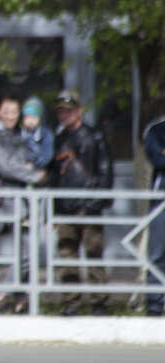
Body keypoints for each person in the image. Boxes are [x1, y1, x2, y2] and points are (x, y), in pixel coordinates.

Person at [0, 93, 47, 313]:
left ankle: (19, 299)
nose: (11, 116)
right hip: (12, 199)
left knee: (28, 249)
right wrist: (35, 176)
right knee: (26, 251)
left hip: (25, 197)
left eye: (15, 112)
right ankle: (4, 296)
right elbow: (5, 166)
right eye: (6, 112)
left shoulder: (19, 133)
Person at [50, 90, 113, 316]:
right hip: (65, 208)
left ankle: (99, 304)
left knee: (94, 254)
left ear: (79, 111)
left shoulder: (94, 136)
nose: (64, 114)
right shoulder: (59, 140)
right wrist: (54, 209)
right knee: (67, 256)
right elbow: (54, 176)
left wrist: (96, 202)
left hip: (88, 207)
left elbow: (105, 171)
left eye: (68, 110)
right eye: (60, 111)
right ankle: (71, 302)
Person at [144, 113, 165, 317]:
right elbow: (157, 158)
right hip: (161, 200)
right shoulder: (156, 128)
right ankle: (154, 302)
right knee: (157, 252)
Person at [21, 96, 55, 169]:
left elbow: (48, 154)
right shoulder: (22, 133)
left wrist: (35, 164)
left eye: (33, 117)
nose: (30, 121)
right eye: (27, 118)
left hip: (39, 168)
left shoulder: (45, 134)